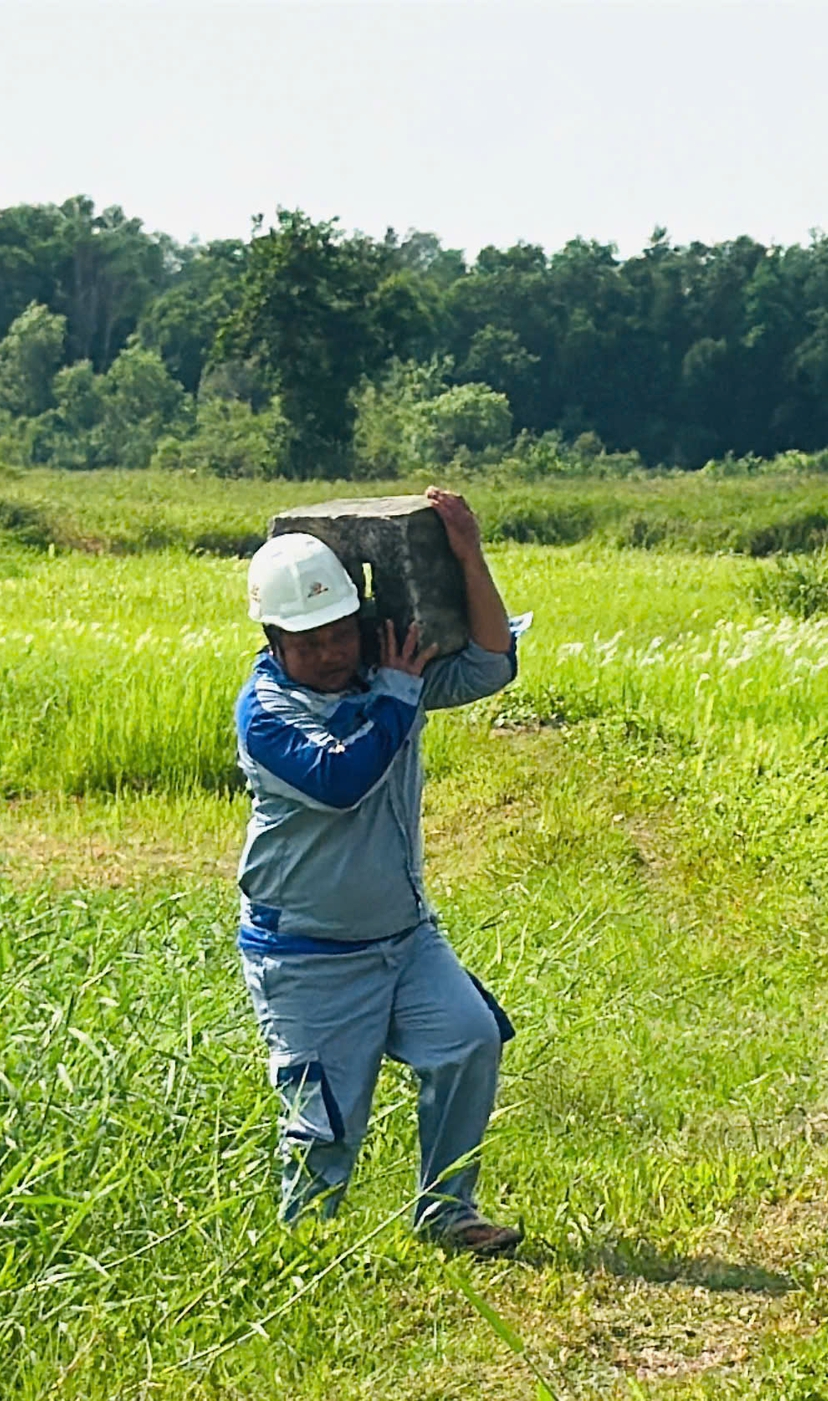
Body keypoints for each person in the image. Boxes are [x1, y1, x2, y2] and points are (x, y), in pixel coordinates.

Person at [233, 486, 524, 1256]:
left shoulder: (383, 675)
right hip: (309, 956)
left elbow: (493, 663)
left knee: (467, 1039)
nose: (329, 654)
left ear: (359, 626)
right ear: (273, 642)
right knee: (324, 1127)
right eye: (308, 643)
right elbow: (340, 779)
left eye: (339, 634)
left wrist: (467, 552)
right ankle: (305, 1258)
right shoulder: (266, 713)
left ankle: (448, 1212)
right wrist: (396, 689)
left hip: (403, 938)